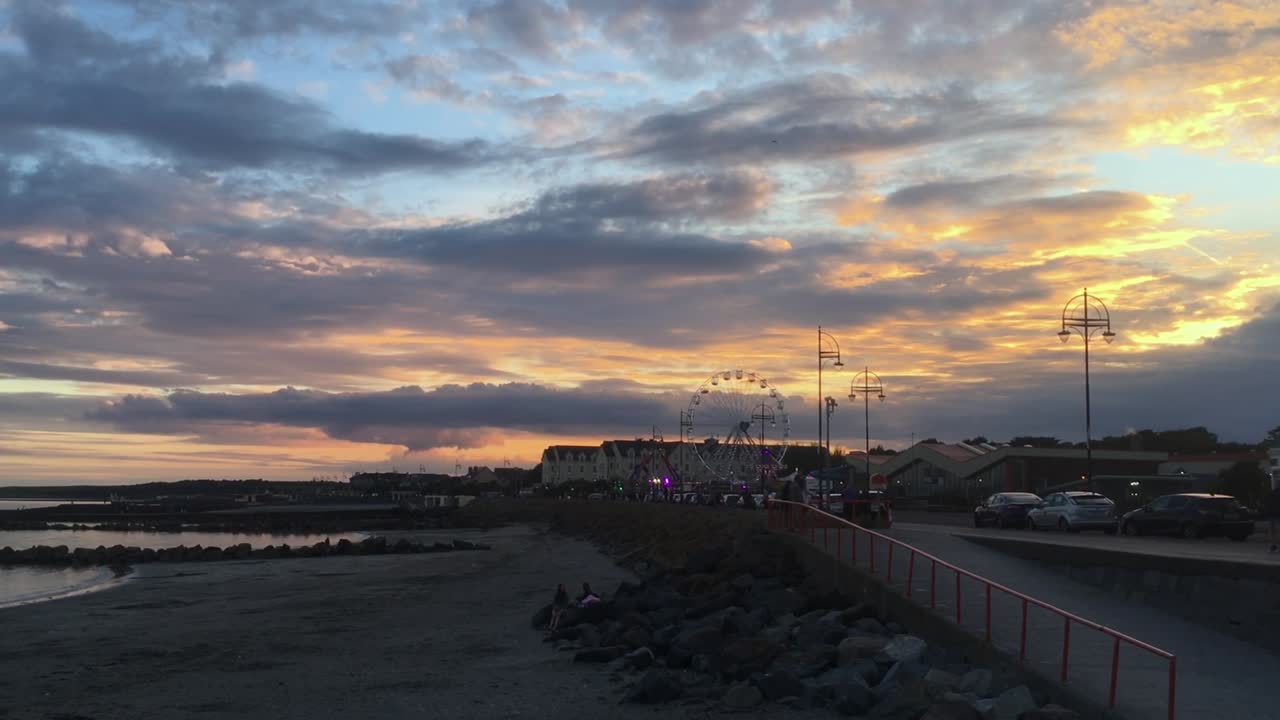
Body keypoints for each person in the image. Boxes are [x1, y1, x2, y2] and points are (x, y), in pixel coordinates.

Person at [1264, 480, 1280, 553]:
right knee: (1277, 530)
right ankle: (1275, 545)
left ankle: (1273, 545)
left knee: (1272, 531)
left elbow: (1267, 503)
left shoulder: (1271, 493)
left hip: (1271, 514)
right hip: (1277, 514)